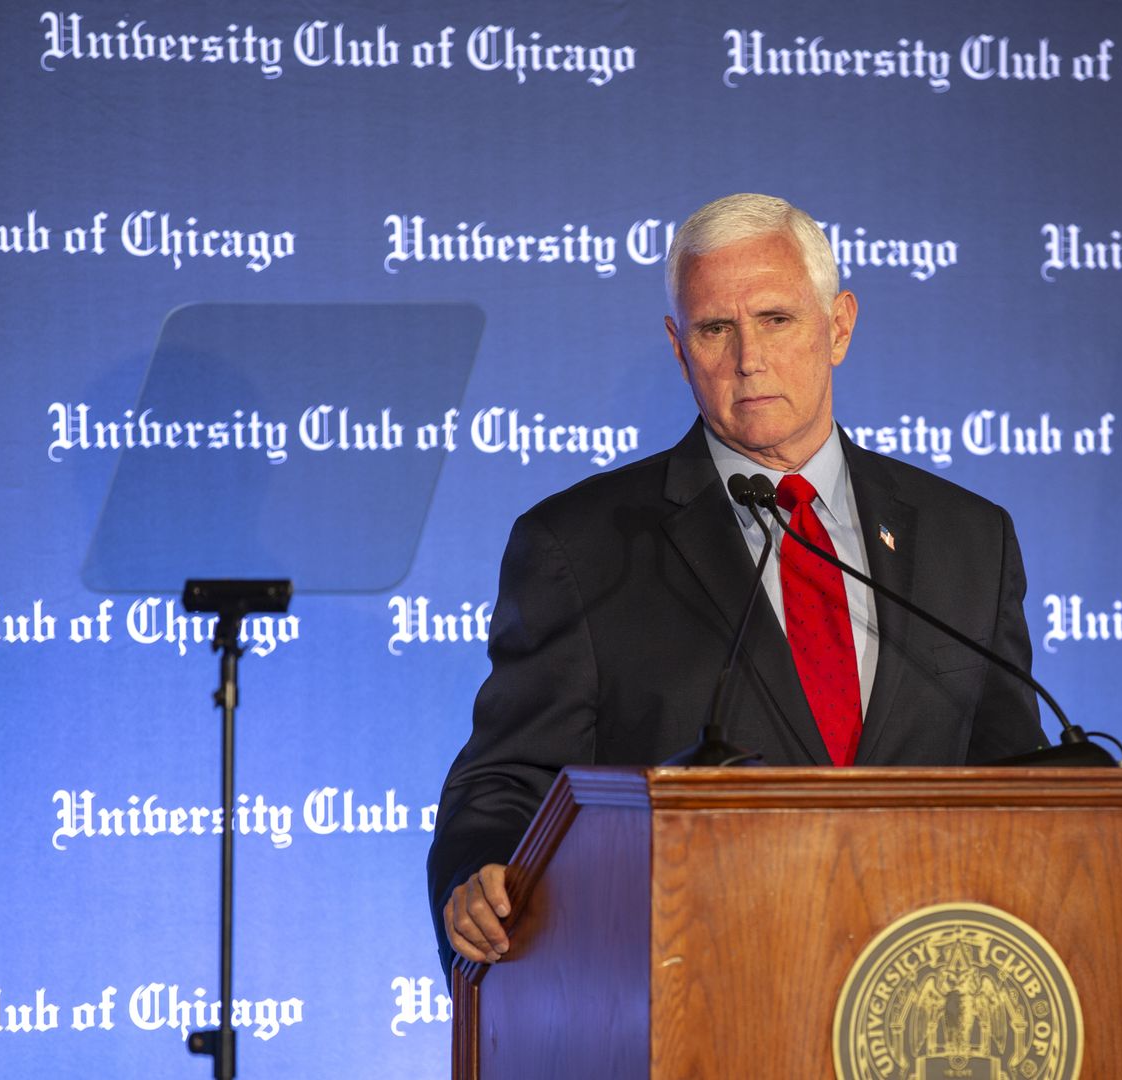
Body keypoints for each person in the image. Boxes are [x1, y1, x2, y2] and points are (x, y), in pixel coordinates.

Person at [428, 193, 1046, 972]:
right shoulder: (580, 546)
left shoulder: (970, 538)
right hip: (699, 986)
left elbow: (1016, 785)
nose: (748, 357)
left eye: (776, 319)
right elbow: (509, 781)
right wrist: (475, 875)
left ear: (840, 327)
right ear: (680, 350)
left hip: (918, 993)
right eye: (715, 329)